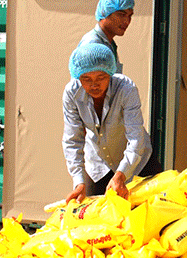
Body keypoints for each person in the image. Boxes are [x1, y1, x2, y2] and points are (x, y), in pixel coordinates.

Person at [62, 43, 161, 203]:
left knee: (147, 210)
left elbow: (136, 139)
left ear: (110, 73)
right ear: (78, 77)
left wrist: (121, 175)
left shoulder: (126, 89)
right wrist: (78, 181)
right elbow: (72, 140)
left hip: (138, 163)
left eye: (101, 78)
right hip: (98, 165)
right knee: (94, 212)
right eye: (86, 79)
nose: (94, 85)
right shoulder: (71, 93)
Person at [78, 0, 134, 74]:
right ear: (105, 12)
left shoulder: (109, 44)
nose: (127, 21)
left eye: (130, 16)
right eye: (121, 15)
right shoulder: (93, 45)